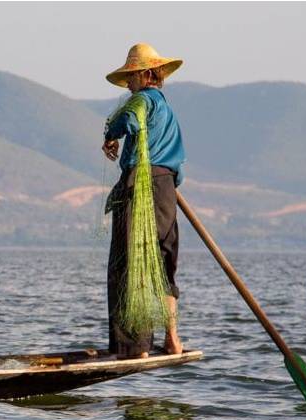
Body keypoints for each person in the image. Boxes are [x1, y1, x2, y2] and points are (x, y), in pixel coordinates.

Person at [102, 43, 185, 358]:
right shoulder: (167, 109)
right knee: (163, 265)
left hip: (141, 186)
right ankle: (172, 338)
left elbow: (130, 120)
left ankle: (134, 347)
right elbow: (179, 166)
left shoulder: (141, 101)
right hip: (166, 188)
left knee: (128, 263)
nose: (128, 84)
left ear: (143, 74)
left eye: (131, 77)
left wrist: (111, 133)